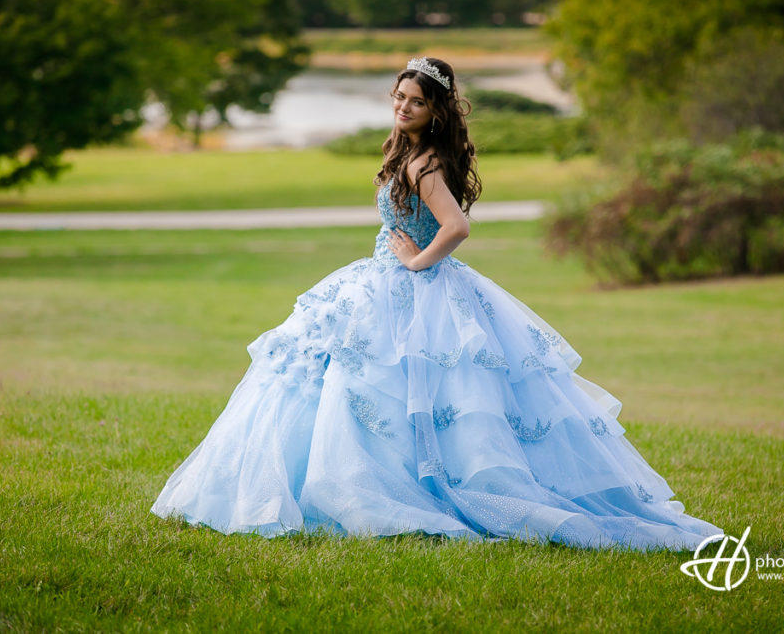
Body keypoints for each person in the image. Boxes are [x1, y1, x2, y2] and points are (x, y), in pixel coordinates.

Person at [150, 57, 723, 551]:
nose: (403, 108)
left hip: (410, 285)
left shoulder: (424, 164)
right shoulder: (405, 150)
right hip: (380, 279)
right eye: (398, 97)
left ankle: (387, 492)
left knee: (394, 385)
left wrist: (417, 261)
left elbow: (458, 225)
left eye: (416, 102)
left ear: (435, 112)